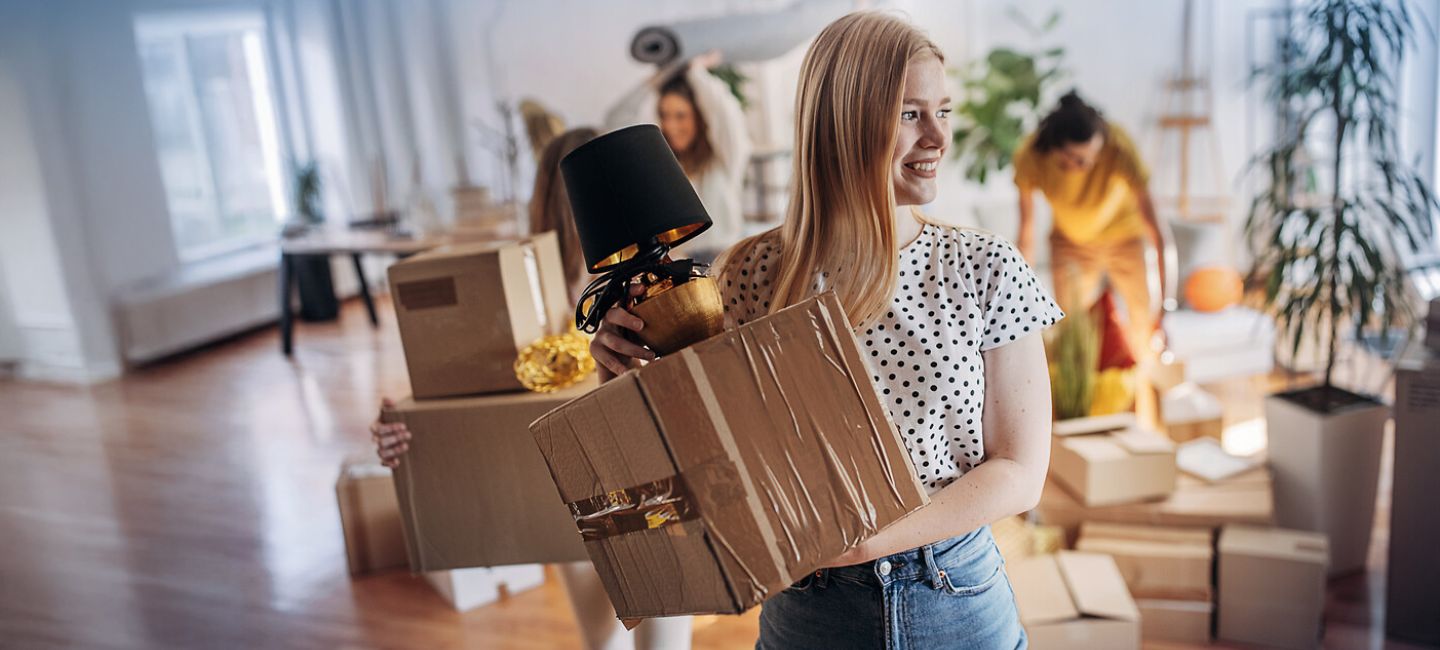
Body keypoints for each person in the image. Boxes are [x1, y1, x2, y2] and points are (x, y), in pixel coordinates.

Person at [591, 12, 1063, 649]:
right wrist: (620, 379)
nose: (939, 138)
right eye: (909, 115)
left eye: (943, 111)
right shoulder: (751, 274)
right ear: (843, 123)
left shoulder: (986, 268)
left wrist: (868, 539)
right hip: (808, 612)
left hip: (954, 600)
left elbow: (1020, 470)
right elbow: (698, 456)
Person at [369, 128, 693, 650]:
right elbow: (456, 399)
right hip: (574, 492)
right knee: (607, 642)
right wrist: (402, 435)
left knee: (657, 642)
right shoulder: (513, 295)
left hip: (650, 482)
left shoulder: (651, 282)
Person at [1013, 91, 1169, 360]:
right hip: (1070, 243)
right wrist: (1020, 292)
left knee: (1144, 322)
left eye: (1094, 157)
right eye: (1079, 160)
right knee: (1072, 332)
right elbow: (1027, 232)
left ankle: (1143, 388)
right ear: (1057, 151)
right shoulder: (1032, 156)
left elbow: (1155, 228)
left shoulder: (1117, 144)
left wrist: (1165, 305)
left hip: (1125, 238)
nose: (1090, 165)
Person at [605, 50, 751, 261]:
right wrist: (659, 78)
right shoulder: (659, 166)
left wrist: (694, 70)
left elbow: (725, 112)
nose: (671, 126)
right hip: (681, 267)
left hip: (727, 261)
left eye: (681, 116)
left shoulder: (723, 158)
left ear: (699, 118)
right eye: (665, 115)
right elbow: (615, 121)